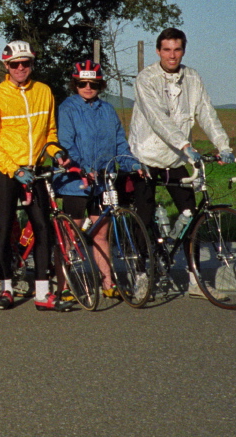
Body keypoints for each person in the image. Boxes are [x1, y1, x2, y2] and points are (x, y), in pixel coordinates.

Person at [128, 28, 234, 299]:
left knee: (190, 215)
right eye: (166, 49)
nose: (172, 55)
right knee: (143, 215)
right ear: (158, 51)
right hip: (146, 156)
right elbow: (157, 119)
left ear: (183, 50)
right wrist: (186, 145)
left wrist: (223, 145)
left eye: (177, 49)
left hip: (175, 158)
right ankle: (142, 275)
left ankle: (194, 279)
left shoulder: (193, 78)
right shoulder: (146, 78)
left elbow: (206, 113)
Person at [0, 40, 73, 312]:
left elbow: (50, 135)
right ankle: (6, 288)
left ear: (32, 64)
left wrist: (55, 153)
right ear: (6, 66)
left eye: (26, 63)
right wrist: (13, 169)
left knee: (43, 228)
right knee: (5, 228)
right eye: (15, 64)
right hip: (7, 170)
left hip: (36, 170)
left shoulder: (44, 92)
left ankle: (42, 293)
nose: (21, 68)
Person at [53, 60, 142, 299]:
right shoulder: (68, 108)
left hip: (102, 181)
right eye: (82, 83)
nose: (88, 87)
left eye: (93, 83)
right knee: (69, 234)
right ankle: (63, 286)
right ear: (75, 83)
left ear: (100, 84)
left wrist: (133, 164)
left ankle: (108, 282)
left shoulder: (107, 110)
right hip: (75, 181)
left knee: (101, 234)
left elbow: (119, 143)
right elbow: (66, 144)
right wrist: (83, 168)